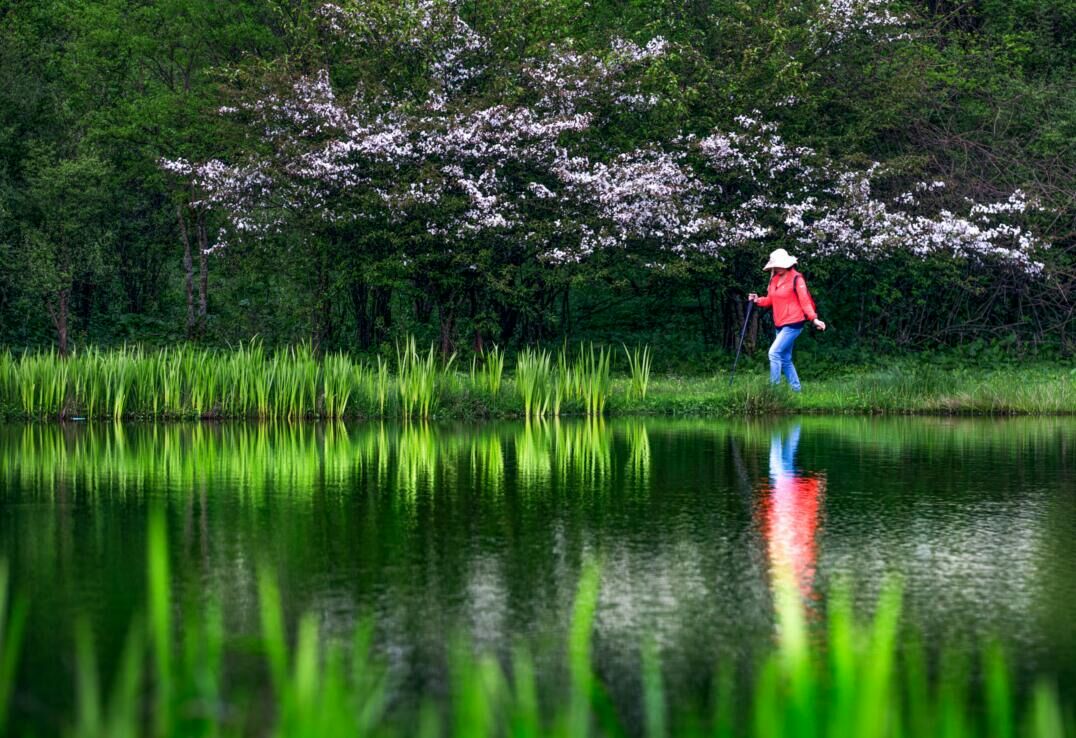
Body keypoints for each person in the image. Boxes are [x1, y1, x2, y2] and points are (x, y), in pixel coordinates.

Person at [748, 248, 825, 392]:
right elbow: (771, 300)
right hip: (780, 323)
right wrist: (757, 300)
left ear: (787, 263)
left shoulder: (797, 278)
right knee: (785, 358)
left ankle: (773, 392)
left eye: (779, 264)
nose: (777, 267)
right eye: (775, 265)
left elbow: (805, 301)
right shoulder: (774, 280)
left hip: (794, 323)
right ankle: (797, 390)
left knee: (774, 353)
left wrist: (814, 319)